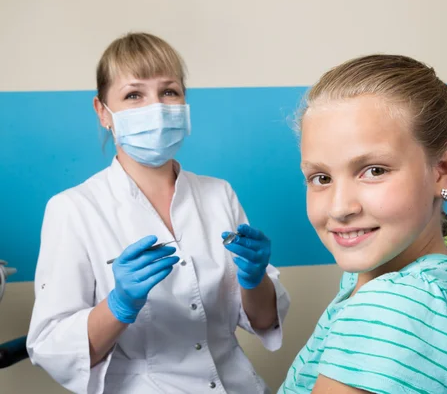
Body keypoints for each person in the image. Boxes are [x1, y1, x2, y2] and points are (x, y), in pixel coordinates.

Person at [26, 32, 290, 394]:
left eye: (169, 91)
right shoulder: (73, 209)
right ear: (103, 112)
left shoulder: (219, 194)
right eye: (134, 95)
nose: (157, 108)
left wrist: (255, 278)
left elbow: (262, 320)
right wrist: (120, 304)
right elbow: (52, 346)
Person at [278, 55, 447, 393]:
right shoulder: (407, 280)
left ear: (441, 169)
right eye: (321, 177)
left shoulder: (397, 305)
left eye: (374, 170)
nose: (340, 208)